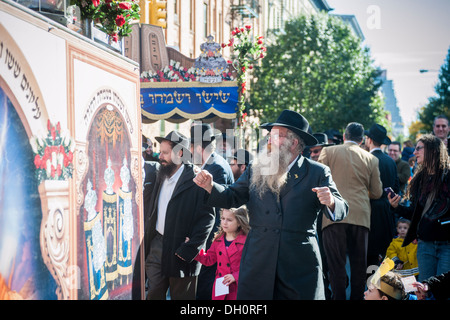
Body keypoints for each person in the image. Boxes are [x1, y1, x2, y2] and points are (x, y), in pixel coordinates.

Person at [194, 109, 348, 300]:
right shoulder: (257, 168)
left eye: (276, 135)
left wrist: (331, 202)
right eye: (270, 134)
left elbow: (342, 209)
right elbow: (232, 196)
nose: (269, 140)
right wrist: (210, 186)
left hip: (298, 264)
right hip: (259, 259)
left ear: (293, 142)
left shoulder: (317, 172)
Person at [144, 131, 215, 300]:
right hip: (157, 247)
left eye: (165, 153)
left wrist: (190, 249)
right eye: (160, 151)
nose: (160, 156)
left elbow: (208, 218)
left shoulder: (197, 179)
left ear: (180, 153)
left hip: (181, 250)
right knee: (152, 294)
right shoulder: (159, 174)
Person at [318, 122, 383, 300]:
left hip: (332, 215)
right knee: (359, 267)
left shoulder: (329, 152)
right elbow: (377, 192)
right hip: (360, 216)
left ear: (344, 136)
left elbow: (318, 180)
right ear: (362, 140)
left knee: (336, 266)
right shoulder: (371, 159)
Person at [389, 134, 450, 282]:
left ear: (433, 151)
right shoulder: (419, 179)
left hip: (447, 244)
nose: (414, 152)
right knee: (424, 289)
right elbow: (415, 213)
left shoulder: (448, 177)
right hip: (425, 244)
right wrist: (397, 207)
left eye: (419, 149)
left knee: (444, 291)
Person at [190, 122, 235, 300]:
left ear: (198, 147)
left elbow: (216, 209)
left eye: (191, 148)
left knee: (208, 287)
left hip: (214, 237)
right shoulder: (213, 163)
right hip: (212, 237)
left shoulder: (216, 167)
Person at [193, 206, 250, 300]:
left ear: (239, 222)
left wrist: (235, 276)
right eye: (223, 218)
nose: (224, 222)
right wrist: (193, 250)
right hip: (221, 287)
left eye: (229, 220)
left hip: (238, 287)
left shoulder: (246, 241)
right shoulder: (218, 239)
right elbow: (209, 260)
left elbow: (252, 266)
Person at [365, 124, 399, 267]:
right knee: (386, 259)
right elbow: (396, 188)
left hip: (370, 213)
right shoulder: (390, 161)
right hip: (387, 212)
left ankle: (371, 288)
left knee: (370, 259)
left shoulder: (367, 159)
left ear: (369, 140)